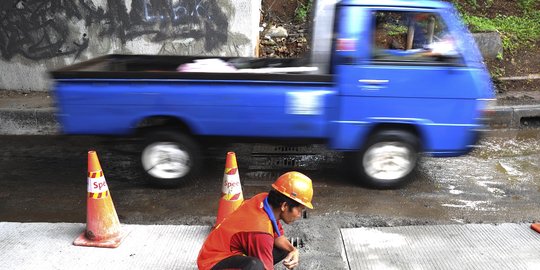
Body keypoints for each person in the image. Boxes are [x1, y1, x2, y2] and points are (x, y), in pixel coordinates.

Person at [197, 171, 314, 270]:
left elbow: (278, 236)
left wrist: (293, 250)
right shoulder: (261, 231)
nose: (299, 215)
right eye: (299, 210)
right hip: (211, 262)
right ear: (284, 206)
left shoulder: (265, 200)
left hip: (229, 251)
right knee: (256, 266)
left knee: (283, 248)